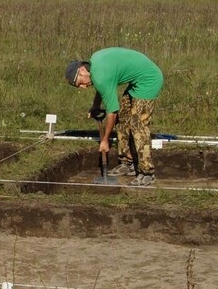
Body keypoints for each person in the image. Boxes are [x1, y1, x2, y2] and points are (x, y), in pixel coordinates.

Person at [65, 48, 164, 186]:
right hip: (136, 81)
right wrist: (96, 105)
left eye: (80, 83)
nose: (82, 87)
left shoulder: (100, 76)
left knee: (138, 125)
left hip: (149, 79)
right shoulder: (95, 66)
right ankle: (127, 162)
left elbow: (112, 112)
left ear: (82, 70)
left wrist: (105, 140)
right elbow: (103, 88)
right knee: (123, 119)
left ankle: (147, 173)